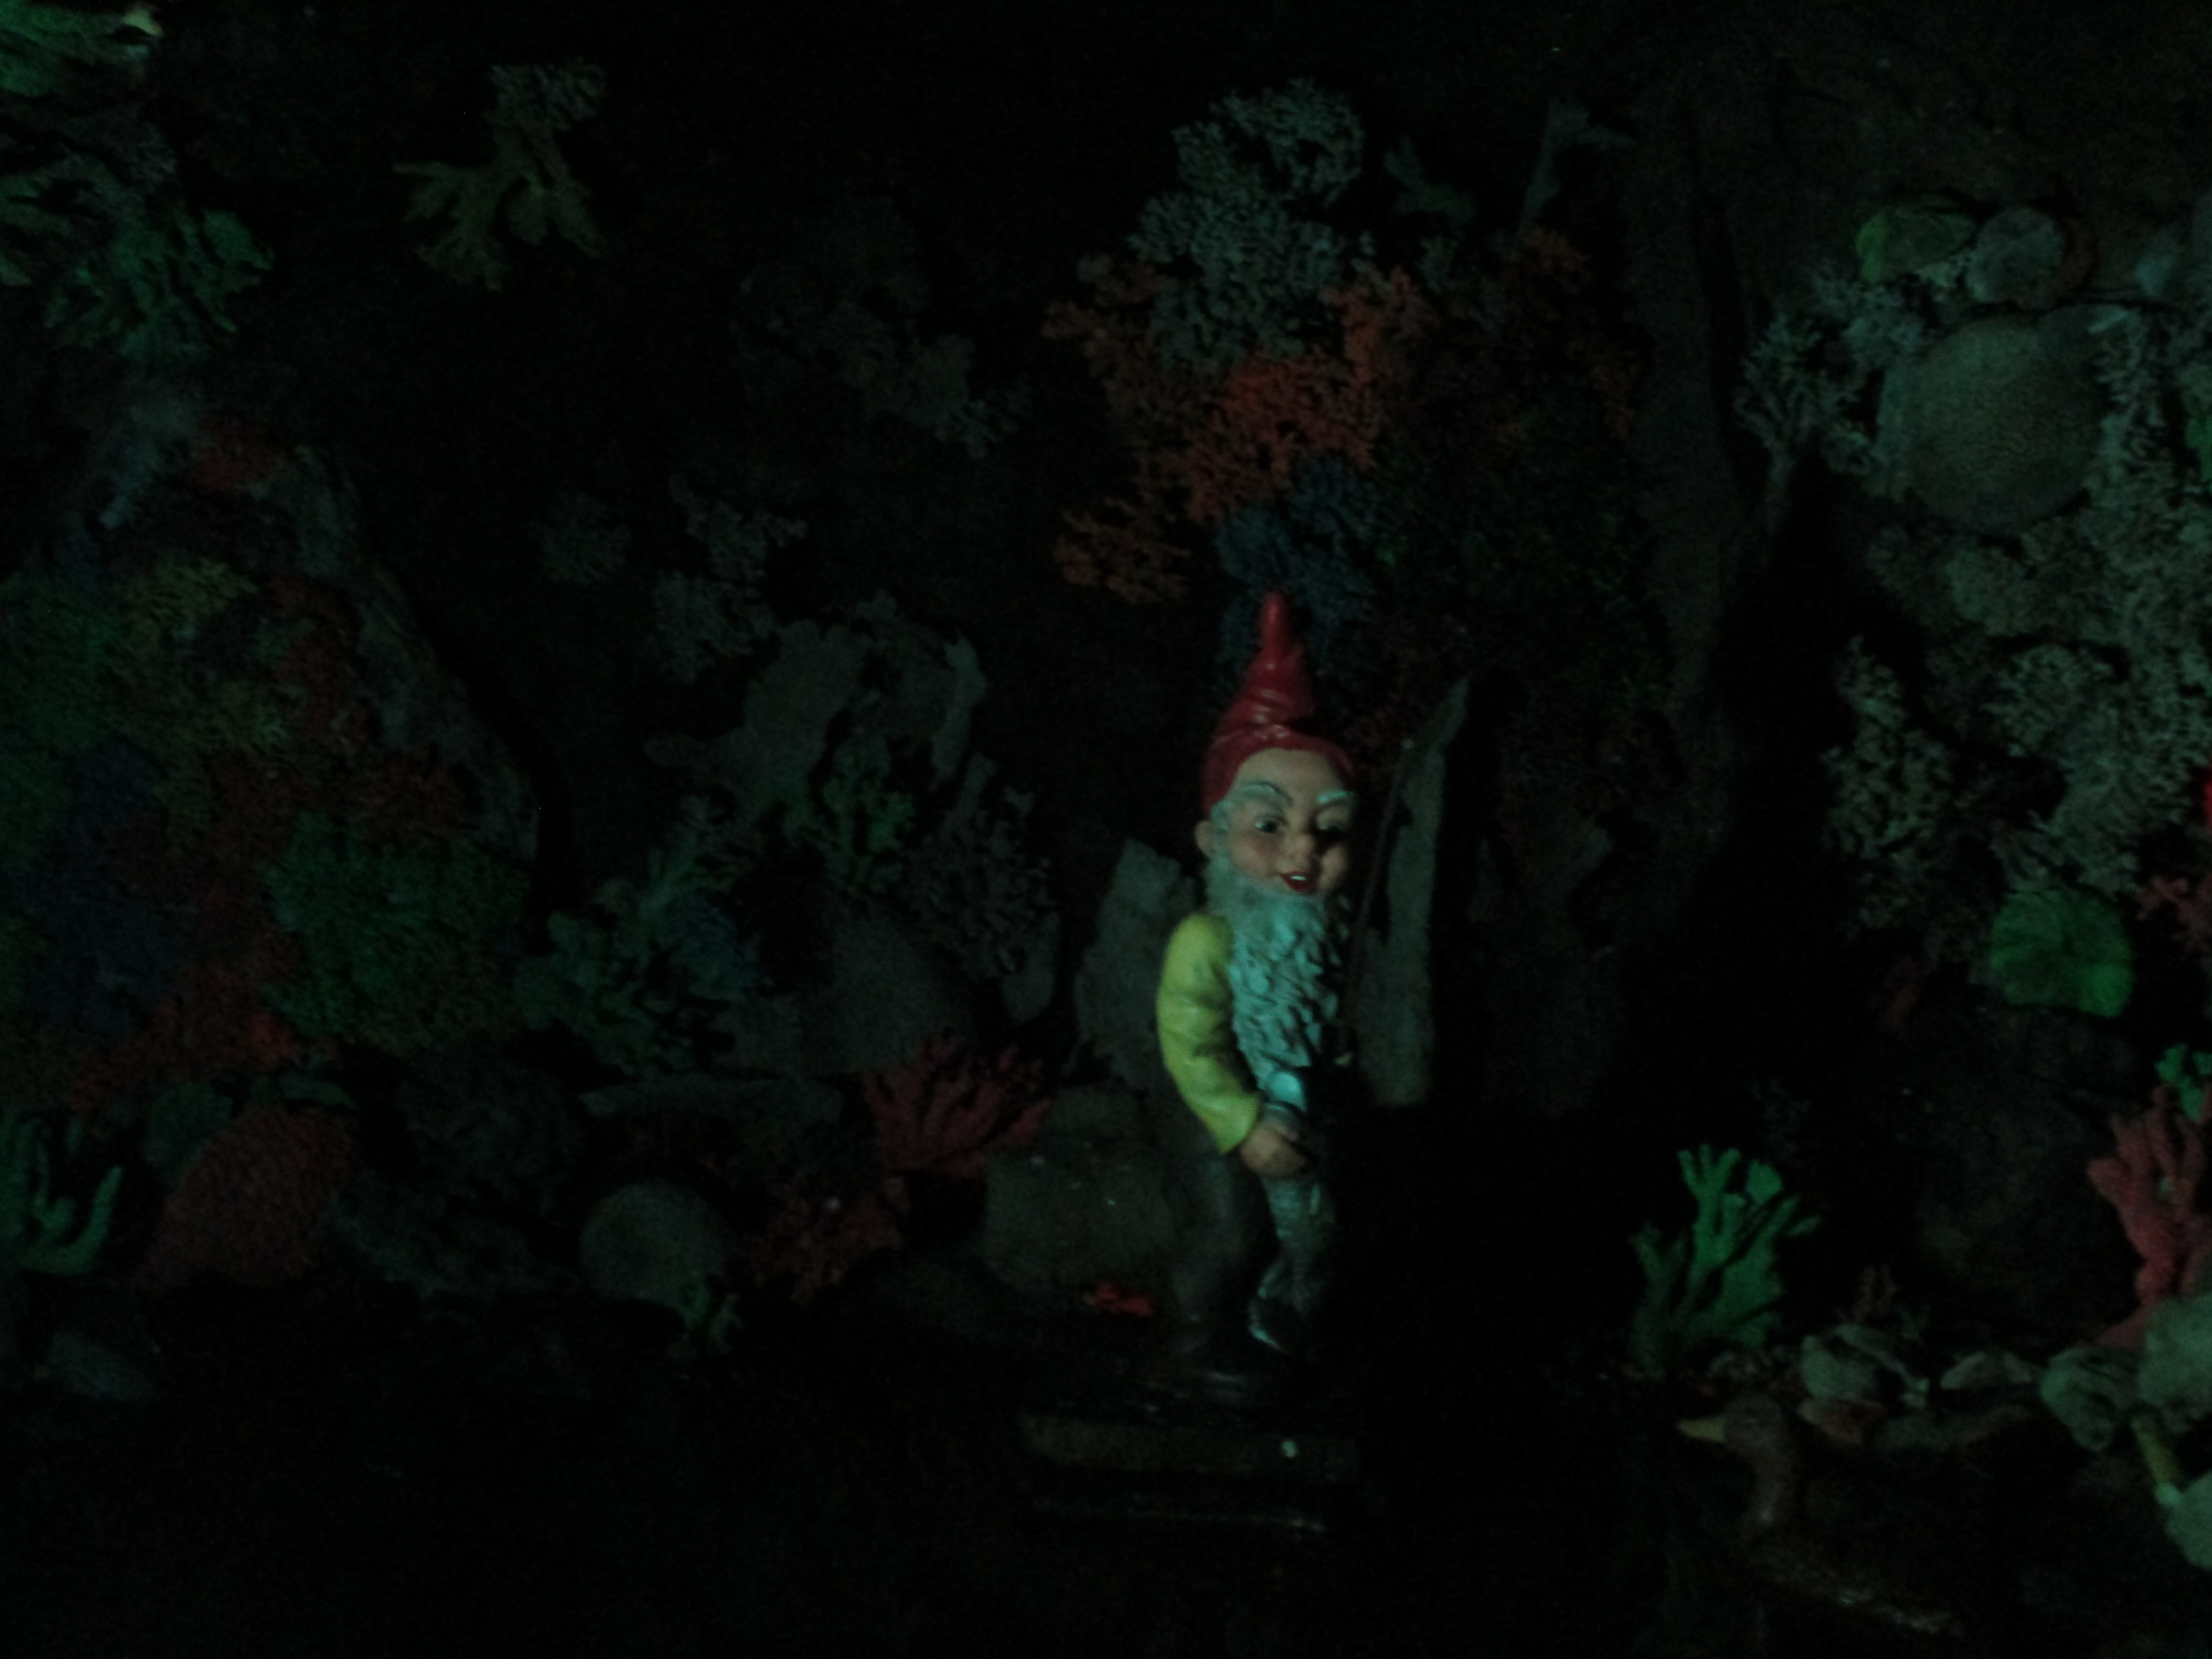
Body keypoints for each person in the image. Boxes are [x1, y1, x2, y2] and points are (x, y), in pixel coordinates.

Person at [1152, 592, 1357, 1404]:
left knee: (1305, 1229)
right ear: (1214, 838)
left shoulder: (1323, 936)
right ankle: (1191, 1346)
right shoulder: (1208, 940)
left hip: (1298, 1102)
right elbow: (1190, 1042)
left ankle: (1273, 1331)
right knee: (1230, 1230)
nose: (1303, 849)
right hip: (1217, 1109)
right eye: (1270, 826)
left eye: (1329, 830)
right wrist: (1240, 1124)